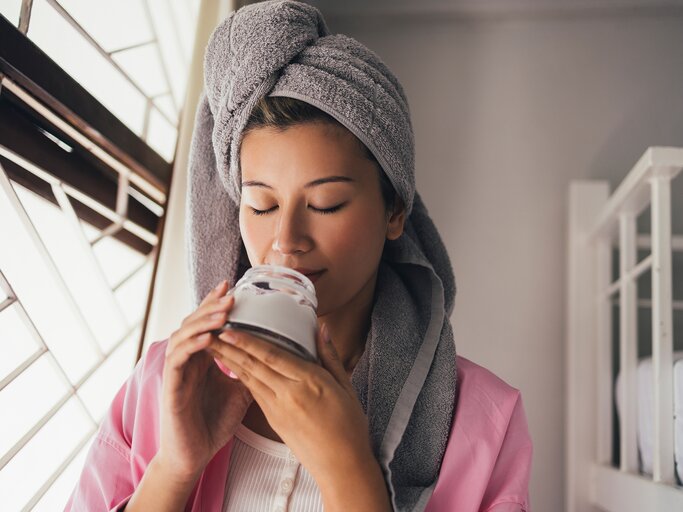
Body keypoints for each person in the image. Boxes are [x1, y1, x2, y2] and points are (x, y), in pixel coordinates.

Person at [65, 1, 532, 511]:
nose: (286, 241)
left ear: (394, 210)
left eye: (326, 204)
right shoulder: (165, 382)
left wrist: (347, 468)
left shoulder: (482, 419)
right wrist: (174, 469)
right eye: (261, 205)